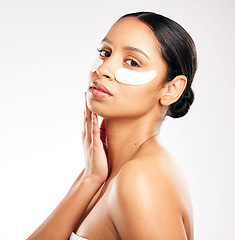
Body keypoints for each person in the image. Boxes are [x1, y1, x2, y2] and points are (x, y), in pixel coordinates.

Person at [27, 11, 197, 240]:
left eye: (132, 62)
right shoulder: (107, 173)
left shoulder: (141, 178)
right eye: (105, 53)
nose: (104, 69)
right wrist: (89, 179)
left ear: (171, 90)